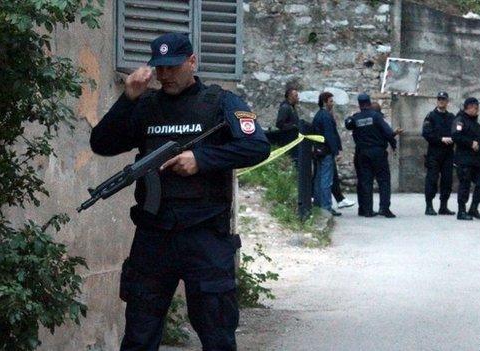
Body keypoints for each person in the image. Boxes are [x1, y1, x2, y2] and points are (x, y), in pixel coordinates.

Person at [89, 33, 271, 350]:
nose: (165, 75)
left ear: (192, 62)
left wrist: (202, 159)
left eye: (173, 67)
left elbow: (257, 146)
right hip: (153, 236)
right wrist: (127, 99)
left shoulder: (220, 102)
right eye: (159, 68)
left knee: (217, 336)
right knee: (139, 337)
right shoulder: (146, 106)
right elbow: (101, 144)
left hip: (205, 235)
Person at [345, 93, 397, 218]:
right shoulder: (376, 116)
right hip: (378, 152)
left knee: (366, 181)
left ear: (359, 104)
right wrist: (393, 144)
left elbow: (348, 125)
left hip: (362, 153)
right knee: (383, 181)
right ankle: (384, 208)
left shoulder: (356, 118)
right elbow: (388, 132)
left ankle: (367, 210)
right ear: (369, 102)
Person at [452, 97, 480, 220]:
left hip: (476, 161)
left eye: (477, 107)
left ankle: (473, 208)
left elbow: (478, 140)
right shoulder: (460, 120)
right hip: (464, 160)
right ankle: (461, 212)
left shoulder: (475, 124)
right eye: (474, 107)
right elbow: (456, 136)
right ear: (468, 107)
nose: (477, 110)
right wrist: (470, 143)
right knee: (464, 185)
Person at [422, 91, 456, 216]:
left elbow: (456, 132)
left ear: (447, 101)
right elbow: (426, 133)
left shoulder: (452, 117)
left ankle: (443, 207)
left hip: (448, 154)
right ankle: (429, 206)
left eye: (443, 99)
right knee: (432, 180)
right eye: (439, 99)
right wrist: (441, 139)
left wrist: (453, 138)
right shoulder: (430, 116)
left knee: (447, 180)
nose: (441, 101)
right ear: (437, 101)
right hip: (434, 153)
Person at [312, 92, 343, 216]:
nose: (332, 104)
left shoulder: (319, 115)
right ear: (325, 102)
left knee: (319, 178)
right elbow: (330, 135)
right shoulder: (325, 116)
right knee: (326, 179)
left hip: (320, 151)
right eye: (330, 101)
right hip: (326, 151)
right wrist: (336, 151)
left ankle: (319, 204)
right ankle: (326, 206)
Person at [276, 88, 300, 163]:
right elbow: (279, 124)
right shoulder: (285, 108)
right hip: (288, 140)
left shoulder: (292, 108)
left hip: (293, 140)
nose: (298, 98)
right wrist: (293, 127)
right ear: (290, 96)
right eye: (296, 96)